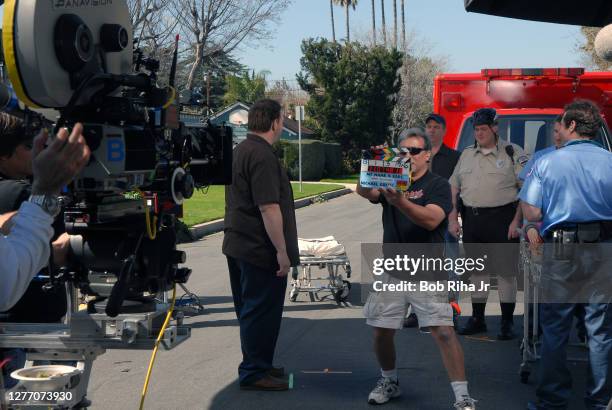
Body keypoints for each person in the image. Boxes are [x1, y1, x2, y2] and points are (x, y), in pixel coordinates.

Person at [358, 129, 476, 409]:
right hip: (392, 268)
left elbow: (431, 220)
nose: (408, 156)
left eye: (414, 151)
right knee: (382, 331)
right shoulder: (392, 179)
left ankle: (462, 396)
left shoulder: (437, 185)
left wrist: (400, 201)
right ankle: (389, 380)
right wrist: (371, 164)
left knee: (444, 332)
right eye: (403, 151)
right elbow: (365, 191)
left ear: (427, 155)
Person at [520, 99, 612, 410]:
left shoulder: (548, 162)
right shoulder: (610, 161)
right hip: (603, 248)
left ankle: (553, 401)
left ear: (571, 126)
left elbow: (531, 210)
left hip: (561, 249)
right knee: (599, 329)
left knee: (555, 328)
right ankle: (599, 401)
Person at [222, 99, 299, 391]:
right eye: (282, 119)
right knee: (260, 311)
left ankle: (259, 363)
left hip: (237, 243)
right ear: (275, 122)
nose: (283, 123)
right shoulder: (263, 156)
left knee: (250, 310)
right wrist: (281, 251)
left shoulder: (241, 149)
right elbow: (268, 207)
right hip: (258, 248)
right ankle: (254, 372)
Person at [449, 108, 528, 340]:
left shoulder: (512, 152)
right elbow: (454, 187)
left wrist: (517, 220)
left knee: (506, 275)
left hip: (503, 220)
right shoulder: (466, 154)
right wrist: (453, 218)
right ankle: (478, 318)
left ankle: (506, 322)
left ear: (495, 128)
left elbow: (526, 189)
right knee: (478, 274)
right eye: (476, 129)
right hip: (473, 220)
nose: (479, 133)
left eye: (483, 129)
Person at [0, 122, 90, 312]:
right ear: (3, 154)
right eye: (27, 146)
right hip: (32, 316)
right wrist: (135, 196)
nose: (38, 151)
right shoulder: (20, 194)